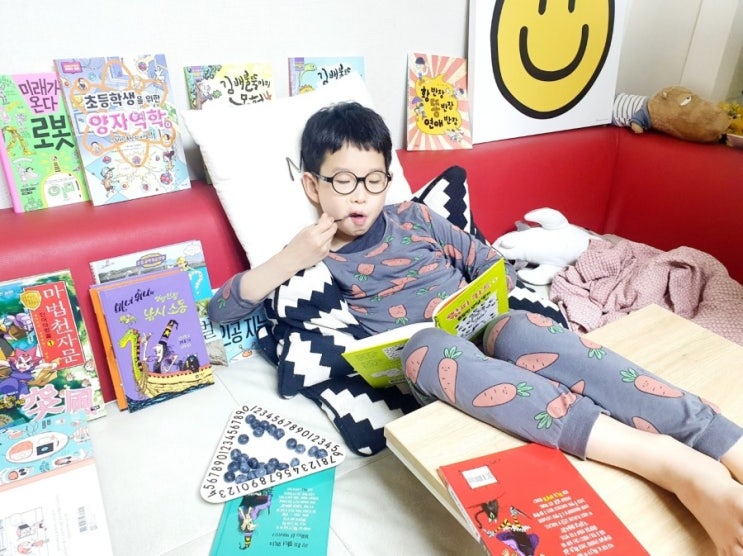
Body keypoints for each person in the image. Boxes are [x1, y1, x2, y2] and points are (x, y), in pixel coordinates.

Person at [208, 101, 743, 554]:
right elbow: (221, 311)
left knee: (523, 328)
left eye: (374, 180)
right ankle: (669, 464)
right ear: (312, 184)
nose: (360, 197)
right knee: (427, 345)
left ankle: (721, 442)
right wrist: (292, 258)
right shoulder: (314, 254)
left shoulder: (414, 218)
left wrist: (482, 293)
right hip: (434, 363)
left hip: (486, 325)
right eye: (343, 181)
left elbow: (487, 261)